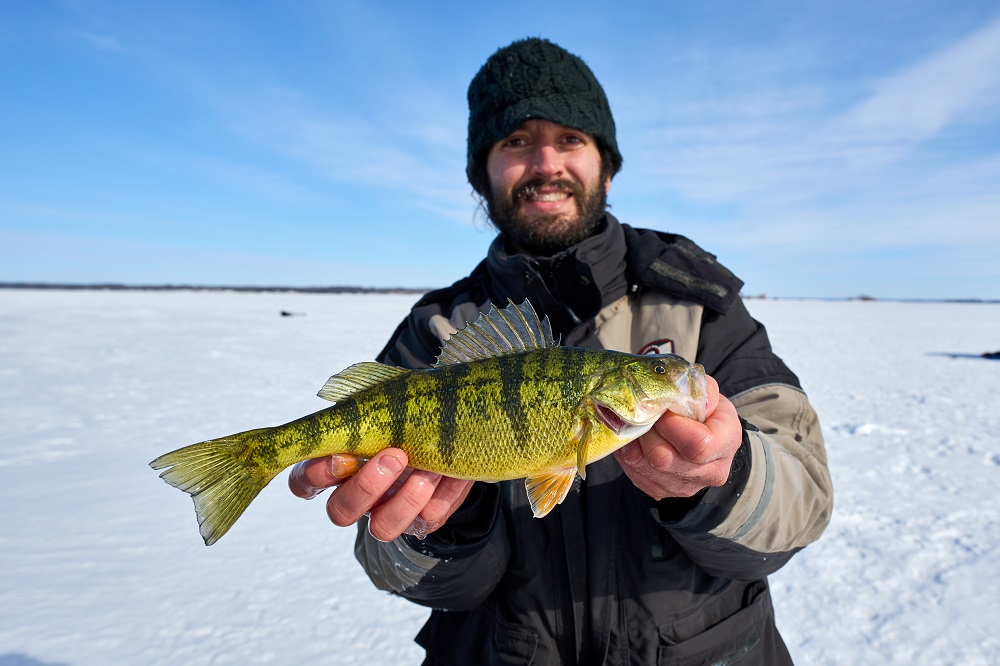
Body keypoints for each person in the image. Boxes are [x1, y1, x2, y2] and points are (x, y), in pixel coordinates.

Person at [288, 37, 832, 665]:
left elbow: (806, 501)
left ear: (605, 161)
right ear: (482, 172)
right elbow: (390, 567)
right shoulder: (437, 331)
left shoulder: (701, 305)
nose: (547, 162)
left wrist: (725, 480)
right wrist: (436, 530)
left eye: (571, 138)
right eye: (516, 141)